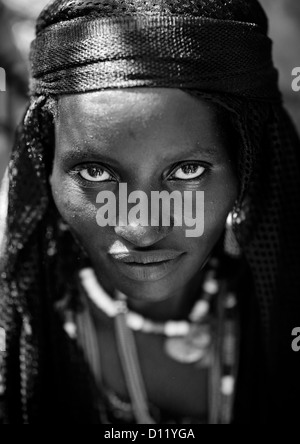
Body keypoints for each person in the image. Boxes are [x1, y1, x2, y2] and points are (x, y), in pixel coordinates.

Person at [0, 0, 299, 424]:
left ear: (244, 167)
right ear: (44, 169)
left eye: (187, 170)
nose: (140, 228)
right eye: (94, 171)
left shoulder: (282, 317)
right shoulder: (17, 331)